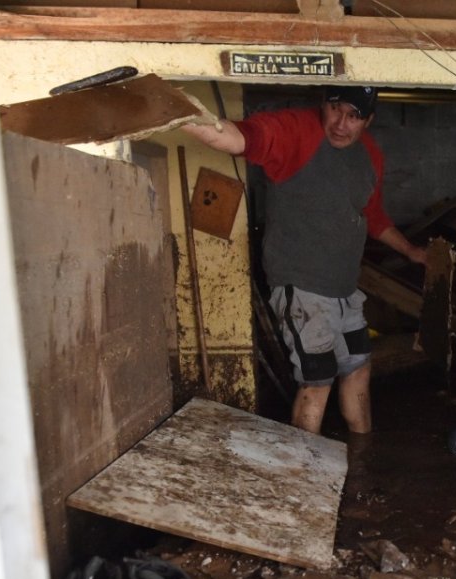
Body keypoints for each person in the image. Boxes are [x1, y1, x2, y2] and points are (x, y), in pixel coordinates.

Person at [182, 85, 426, 436]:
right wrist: (181, 115)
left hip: (345, 291)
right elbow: (240, 139)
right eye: (336, 109)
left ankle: (361, 455)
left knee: (358, 367)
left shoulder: (370, 154)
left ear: (368, 121)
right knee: (317, 379)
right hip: (304, 289)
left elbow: (372, 215)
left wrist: (412, 252)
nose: (342, 124)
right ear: (323, 105)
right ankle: (302, 475)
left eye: (354, 116)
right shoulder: (296, 131)